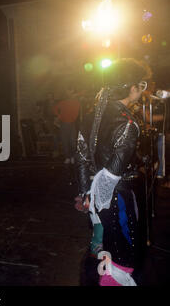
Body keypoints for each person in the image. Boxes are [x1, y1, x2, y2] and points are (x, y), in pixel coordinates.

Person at [74, 58, 152, 286]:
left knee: (104, 246)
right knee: (124, 252)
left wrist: (87, 196)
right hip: (117, 198)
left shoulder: (91, 114)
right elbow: (112, 174)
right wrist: (102, 203)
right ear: (131, 87)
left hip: (97, 197)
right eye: (142, 85)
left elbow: (81, 158)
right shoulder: (128, 122)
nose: (143, 90)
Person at [53, 87, 80, 164]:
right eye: (67, 91)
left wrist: (60, 117)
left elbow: (76, 114)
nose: (68, 93)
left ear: (73, 92)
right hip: (64, 123)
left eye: (70, 91)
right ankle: (68, 157)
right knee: (65, 141)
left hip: (72, 124)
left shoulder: (76, 102)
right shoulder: (63, 102)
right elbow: (54, 108)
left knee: (72, 142)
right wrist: (59, 116)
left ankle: (72, 157)